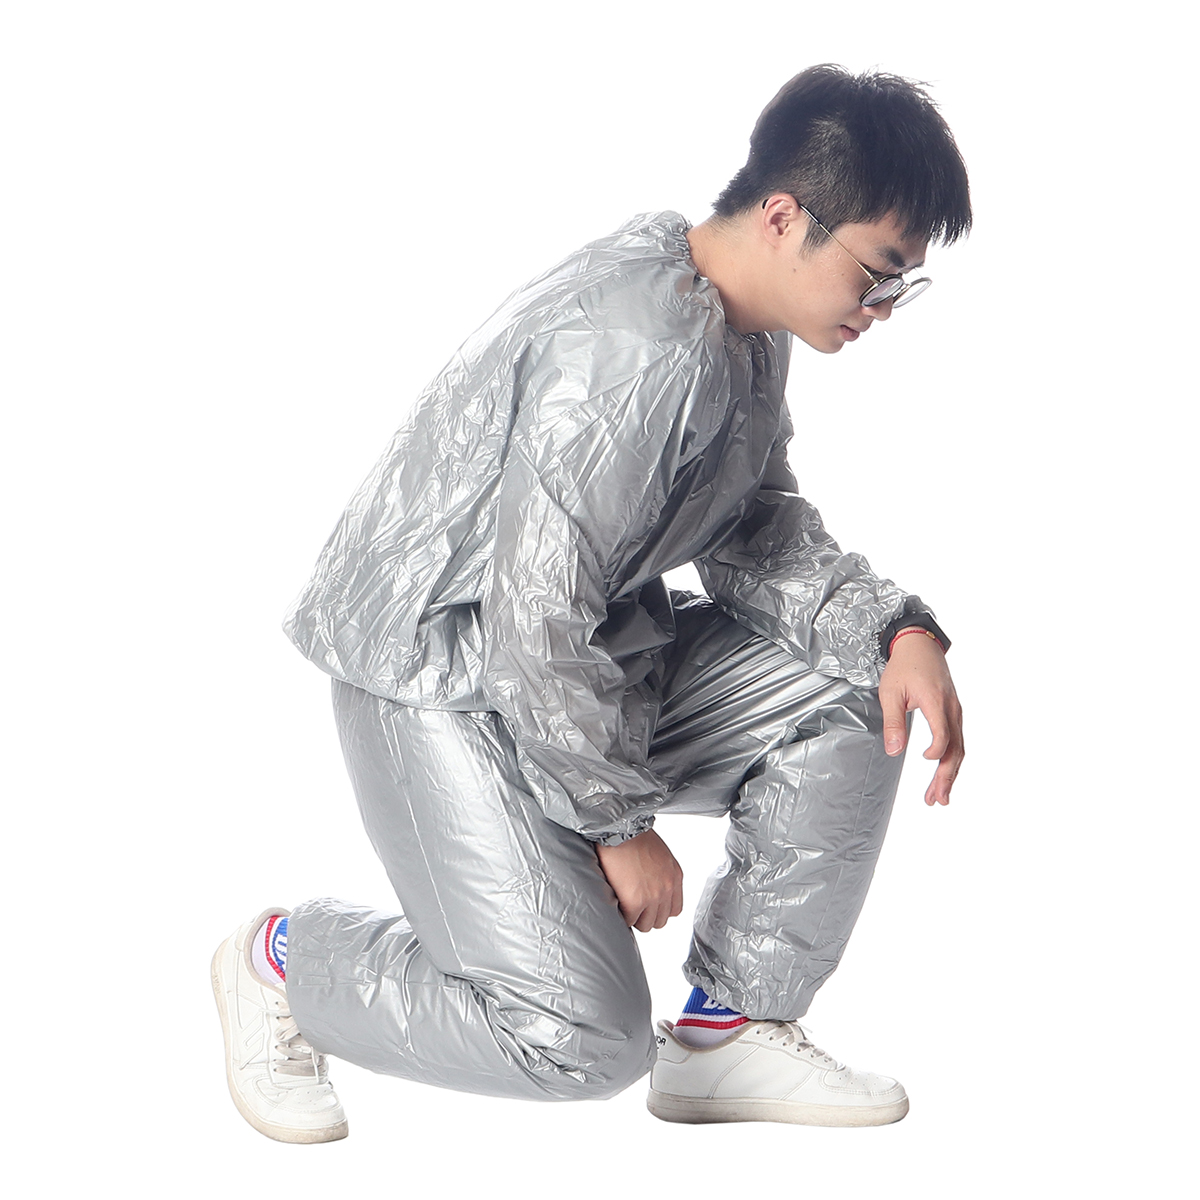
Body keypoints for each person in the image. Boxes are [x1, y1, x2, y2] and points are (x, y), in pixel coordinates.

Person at [211, 63, 970, 1142]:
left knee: (862, 691)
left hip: (580, 663)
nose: (884, 308)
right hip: (441, 680)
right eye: (879, 271)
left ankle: (727, 1033)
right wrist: (618, 826)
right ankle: (285, 964)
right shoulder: (632, 351)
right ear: (783, 216)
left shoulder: (738, 326)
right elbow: (534, 610)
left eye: (904, 284)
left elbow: (751, 530)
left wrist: (898, 630)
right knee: (580, 1041)